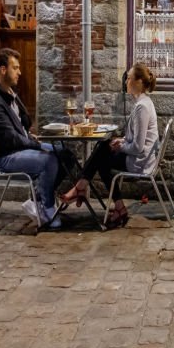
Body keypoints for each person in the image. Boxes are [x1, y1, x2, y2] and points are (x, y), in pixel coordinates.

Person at [60, 64, 159, 228]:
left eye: (129, 78)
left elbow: (138, 147)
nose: (126, 81)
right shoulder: (143, 103)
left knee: (102, 152)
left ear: (139, 82)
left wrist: (120, 147)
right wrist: (122, 141)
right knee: (104, 151)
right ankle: (111, 203)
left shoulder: (142, 107)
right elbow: (135, 138)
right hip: (140, 157)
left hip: (140, 162)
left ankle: (80, 187)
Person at [0, 48, 66, 228]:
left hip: (22, 146)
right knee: (49, 159)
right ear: (3, 70)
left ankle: (37, 199)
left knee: (65, 155)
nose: (19, 72)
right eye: (15, 68)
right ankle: (48, 209)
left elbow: (24, 123)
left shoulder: (10, 92)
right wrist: (36, 144)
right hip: (7, 156)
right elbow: (10, 139)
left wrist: (28, 133)